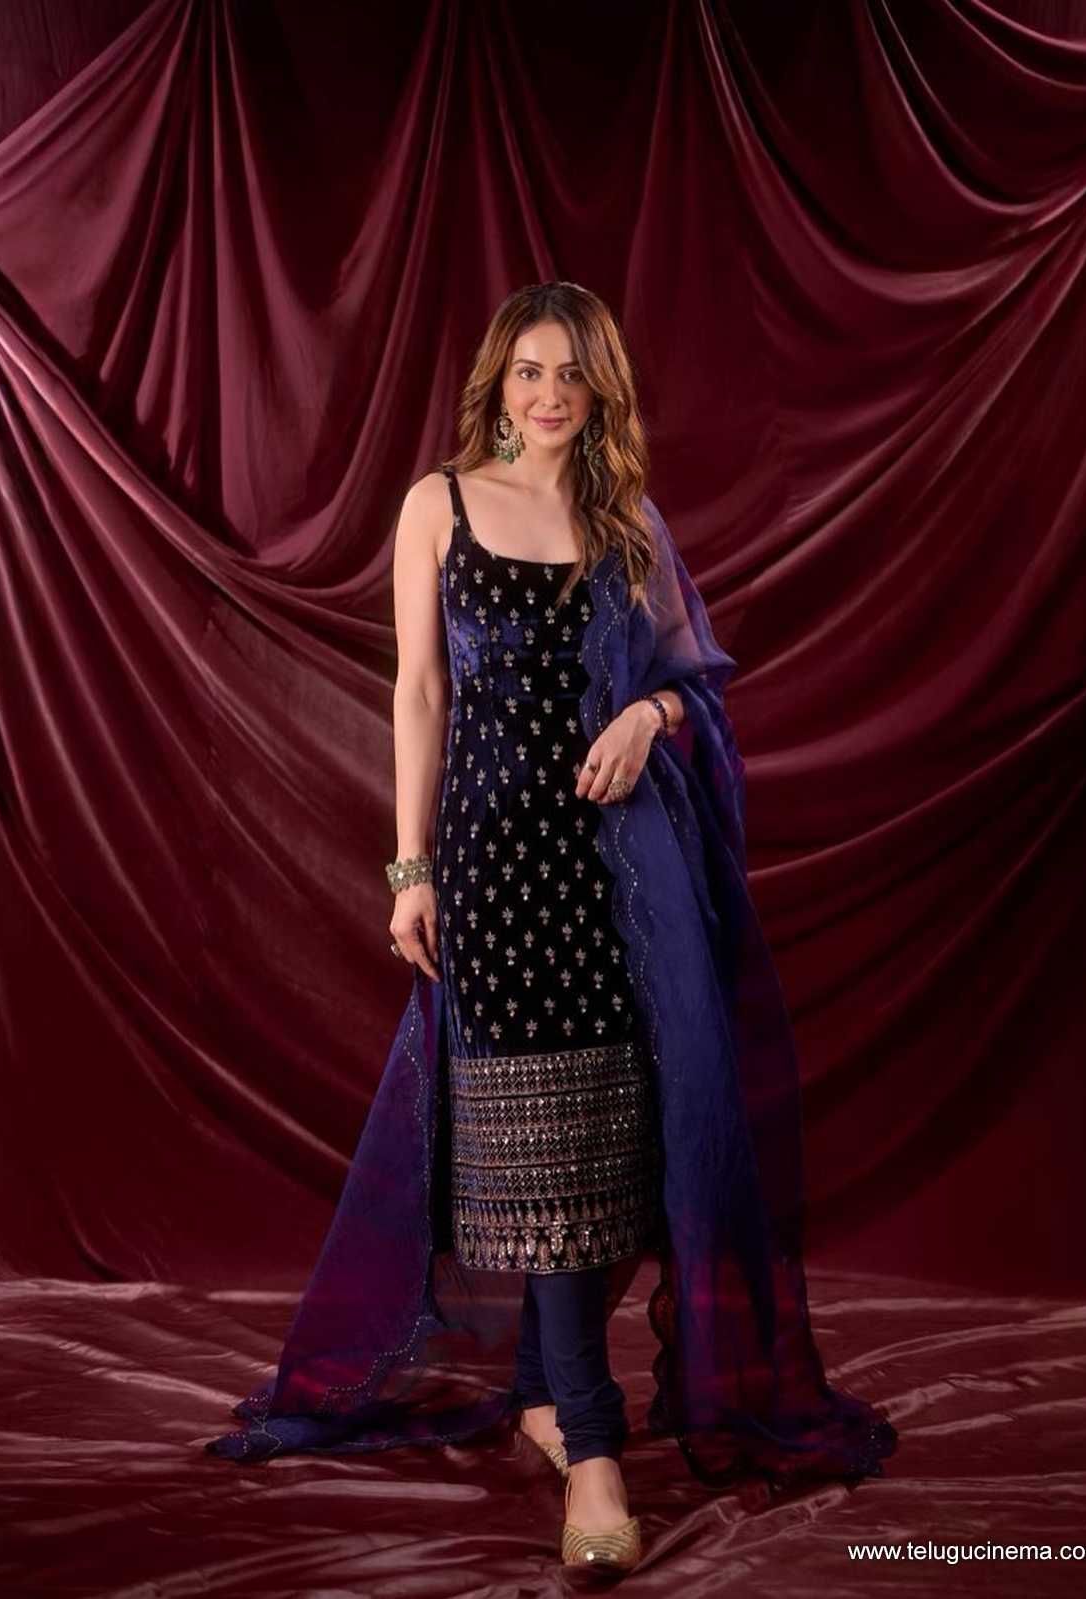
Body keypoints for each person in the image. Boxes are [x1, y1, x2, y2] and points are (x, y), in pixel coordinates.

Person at [206, 282, 898, 1574]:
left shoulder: (627, 520)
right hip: (491, 864)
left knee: (613, 1139)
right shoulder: (440, 504)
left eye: (571, 373)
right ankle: (591, 1442)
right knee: (529, 1141)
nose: (548, 394)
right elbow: (419, 693)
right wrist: (409, 869)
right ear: (499, 382)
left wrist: (649, 717)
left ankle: (550, 1396)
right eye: (529, 370)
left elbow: (693, 683)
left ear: (601, 391)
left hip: (616, 870)